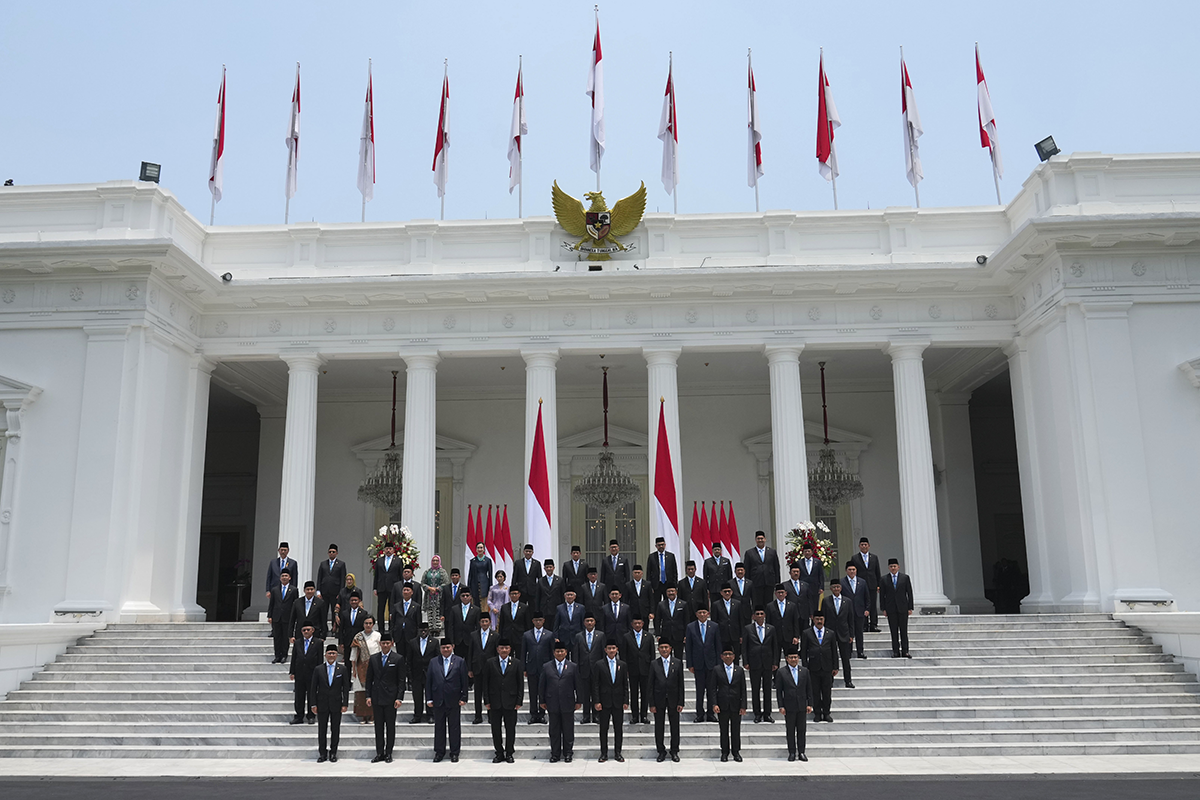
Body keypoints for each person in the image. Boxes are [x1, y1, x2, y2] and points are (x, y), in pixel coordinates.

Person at [426, 637, 468, 763]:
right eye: (443, 648)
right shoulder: (434, 662)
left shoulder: (459, 661)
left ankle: (454, 752)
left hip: (454, 700)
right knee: (439, 727)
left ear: (453, 647)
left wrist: (464, 697)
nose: (445, 649)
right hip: (438, 699)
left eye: (448, 647)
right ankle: (439, 752)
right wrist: (428, 698)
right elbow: (429, 681)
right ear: (440, 649)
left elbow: (464, 681)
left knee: (454, 727)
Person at [482, 637, 524, 763]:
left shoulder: (516, 663)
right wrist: (487, 701)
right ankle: (499, 753)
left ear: (510, 649)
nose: (504, 650)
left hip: (511, 702)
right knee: (496, 729)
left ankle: (509, 752)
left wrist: (519, 701)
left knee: (510, 728)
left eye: (506, 648)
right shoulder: (490, 662)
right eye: (501, 648)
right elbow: (486, 683)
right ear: (497, 649)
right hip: (494, 701)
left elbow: (520, 683)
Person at [365, 632, 405, 762]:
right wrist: (368, 696)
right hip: (377, 696)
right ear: (380, 644)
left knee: (390, 726)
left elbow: (401, 681)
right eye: (383, 643)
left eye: (388, 643)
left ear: (392, 644)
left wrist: (399, 698)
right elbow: (369, 679)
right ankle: (379, 752)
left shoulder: (398, 658)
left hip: (391, 698)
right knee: (378, 727)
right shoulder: (374, 658)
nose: (385, 645)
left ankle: (389, 752)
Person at [540, 639, 581, 762]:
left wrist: (579, 700)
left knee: (568, 730)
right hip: (552, 702)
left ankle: (568, 753)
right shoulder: (546, 666)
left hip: (568, 702)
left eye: (561, 651)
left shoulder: (573, 667)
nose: (559, 653)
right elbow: (542, 685)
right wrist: (542, 700)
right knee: (554, 730)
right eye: (557, 651)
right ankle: (555, 754)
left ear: (566, 652)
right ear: (553, 652)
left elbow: (578, 685)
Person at [311, 644, 349, 762]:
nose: (331, 655)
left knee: (335, 729)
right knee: (322, 729)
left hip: (336, 703)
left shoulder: (342, 669)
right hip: (322, 703)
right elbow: (313, 688)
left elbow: (345, 688)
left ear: (337, 655)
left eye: (333, 653)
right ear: (325, 655)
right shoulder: (318, 669)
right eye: (329, 653)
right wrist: (313, 704)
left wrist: (345, 703)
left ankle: (333, 752)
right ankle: (322, 753)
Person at [709, 645, 746, 762]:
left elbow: (743, 689)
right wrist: (714, 704)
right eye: (725, 654)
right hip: (722, 704)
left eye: (730, 654)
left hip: (736, 704)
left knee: (736, 729)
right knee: (723, 729)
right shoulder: (717, 669)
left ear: (734, 656)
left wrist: (743, 706)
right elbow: (712, 689)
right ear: (721, 656)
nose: (728, 656)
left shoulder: (739, 670)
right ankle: (724, 752)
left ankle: (736, 752)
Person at [649, 639, 685, 762]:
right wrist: (651, 703)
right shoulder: (654, 664)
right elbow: (650, 685)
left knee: (675, 726)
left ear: (671, 648)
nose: (664, 649)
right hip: (658, 699)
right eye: (662, 647)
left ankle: (674, 751)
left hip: (674, 699)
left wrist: (681, 702)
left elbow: (681, 684)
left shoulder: (678, 662)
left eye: (666, 647)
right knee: (659, 726)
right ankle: (661, 751)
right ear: (658, 649)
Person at [801, 611, 839, 722]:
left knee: (827, 692)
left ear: (824, 620)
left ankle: (826, 713)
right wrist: (805, 666)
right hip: (813, 668)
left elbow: (834, 651)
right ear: (813, 619)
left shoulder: (830, 633)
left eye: (821, 619)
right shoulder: (807, 633)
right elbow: (804, 652)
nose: (819, 621)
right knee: (815, 692)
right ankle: (817, 713)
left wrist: (835, 667)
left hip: (827, 667)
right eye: (817, 619)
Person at [593, 641, 628, 762]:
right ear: (605, 650)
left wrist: (626, 700)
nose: (612, 650)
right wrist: (596, 701)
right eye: (609, 648)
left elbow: (625, 684)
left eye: (613, 648)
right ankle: (604, 753)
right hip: (604, 701)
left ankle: (618, 753)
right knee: (604, 729)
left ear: (617, 649)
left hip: (618, 701)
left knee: (618, 728)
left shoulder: (622, 664)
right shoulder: (599, 664)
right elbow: (596, 684)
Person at [743, 606, 780, 723]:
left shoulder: (771, 629)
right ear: (753, 616)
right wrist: (745, 661)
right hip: (754, 663)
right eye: (757, 614)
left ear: (765, 615)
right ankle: (757, 714)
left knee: (767, 690)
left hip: (768, 663)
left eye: (761, 614)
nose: (759, 616)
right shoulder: (748, 629)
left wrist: (775, 662)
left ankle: (767, 714)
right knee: (755, 689)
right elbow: (744, 647)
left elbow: (775, 646)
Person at [685, 606, 721, 723]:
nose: (702, 614)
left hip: (711, 663)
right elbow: (689, 647)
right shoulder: (691, 627)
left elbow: (717, 646)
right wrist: (690, 664)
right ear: (696, 614)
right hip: (698, 663)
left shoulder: (714, 626)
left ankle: (711, 713)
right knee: (700, 690)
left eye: (704, 612)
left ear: (708, 613)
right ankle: (699, 714)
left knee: (712, 690)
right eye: (700, 612)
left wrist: (718, 664)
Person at [775, 650, 813, 761]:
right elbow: (779, 691)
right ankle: (792, 752)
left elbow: (809, 688)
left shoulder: (804, 671)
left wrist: (809, 703)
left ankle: (801, 752)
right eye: (791, 657)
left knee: (802, 730)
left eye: (795, 657)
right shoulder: (781, 672)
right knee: (790, 730)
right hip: (789, 705)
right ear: (787, 659)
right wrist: (781, 706)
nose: (793, 659)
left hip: (801, 705)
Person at [820, 580, 856, 689]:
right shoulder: (826, 601)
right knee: (830, 658)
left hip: (844, 633)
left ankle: (848, 680)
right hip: (830, 633)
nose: (836, 589)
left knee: (845, 658)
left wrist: (851, 634)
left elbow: (851, 619)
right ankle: (830, 681)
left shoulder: (847, 601)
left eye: (838, 587)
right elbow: (823, 618)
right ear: (830, 588)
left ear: (841, 588)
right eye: (834, 587)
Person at [573, 614, 606, 723]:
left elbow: (603, 652)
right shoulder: (579, 636)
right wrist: (576, 668)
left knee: (596, 693)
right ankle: (586, 716)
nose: (589, 623)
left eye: (591, 621)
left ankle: (596, 716)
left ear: (595, 622)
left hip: (597, 669)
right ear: (584, 622)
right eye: (587, 621)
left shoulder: (600, 635)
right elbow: (576, 653)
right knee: (585, 693)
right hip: (584, 668)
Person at [622, 615, 655, 724]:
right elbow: (624, 654)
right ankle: (635, 716)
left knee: (645, 693)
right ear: (632, 624)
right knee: (634, 693)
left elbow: (652, 654)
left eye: (639, 623)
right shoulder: (627, 637)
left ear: (643, 624)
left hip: (646, 668)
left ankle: (644, 715)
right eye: (635, 623)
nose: (637, 625)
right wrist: (625, 668)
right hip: (632, 668)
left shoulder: (649, 636)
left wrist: (652, 668)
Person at [522, 611, 553, 723]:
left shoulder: (549, 634)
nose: (538, 622)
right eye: (536, 620)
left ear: (543, 621)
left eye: (540, 620)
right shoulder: (527, 635)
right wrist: (524, 668)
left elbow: (551, 652)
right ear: (533, 621)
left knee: (543, 692)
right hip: (532, 667)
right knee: (533, 692)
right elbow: (523, 652)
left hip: (545, 668)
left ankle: (542, 713)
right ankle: (533, 714)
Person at [289, 623, 323, 725]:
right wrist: (292, 671)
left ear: (312, 630)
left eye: (308, 630)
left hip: (312, 673)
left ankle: (311, 716)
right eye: (304, 630)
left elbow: (320, 659)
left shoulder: (318, 642)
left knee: (312, 695)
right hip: (300, 673)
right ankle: (299, 716)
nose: (306, 632)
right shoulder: (298, 642)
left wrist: (320, 673)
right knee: (299, 695)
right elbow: (294, 657)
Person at [880, 558, 914, 658]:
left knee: (904, 630)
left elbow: (909, 593)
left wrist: (910, 607)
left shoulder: (905, 578)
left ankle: (905, 651)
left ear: (898, 567)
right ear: (888, 568)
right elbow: (882, 595)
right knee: (893, 631)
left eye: (894, 566)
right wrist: (883, 608)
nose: (893, 568)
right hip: (891, 608)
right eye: (891, 566)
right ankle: (895, 651)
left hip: (903, 607)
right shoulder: (884, 579)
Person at [467, 615, 499, 724]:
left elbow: (496, 654)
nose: (484, 623)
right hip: (477, 667)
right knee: (478, 693)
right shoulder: (473, 635)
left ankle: (491, 716)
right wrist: (470, 669)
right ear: (479, 623)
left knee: (490, 693)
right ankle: (478, 716)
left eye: (486, 621)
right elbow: (470, 652)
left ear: (490, 622)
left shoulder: (495, 635)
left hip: (491, 668)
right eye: (482, 621)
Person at [349, 614, 380, 724]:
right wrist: (353, 669)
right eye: (366, 623)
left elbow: (381, 651)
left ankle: (372, 715)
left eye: (370, 623)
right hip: (360, 667)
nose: (368, 625)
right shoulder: (358, 636)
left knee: (373, 690)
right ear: (363, 624)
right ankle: (363, 715)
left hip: (374, 666)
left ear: (373, 624)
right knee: (361, 691)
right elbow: (353, 655)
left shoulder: (377, 636)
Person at [406, 622, 437, 723]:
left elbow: (437, 659)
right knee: (417, 696)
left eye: (425, 630)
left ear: (428, 630)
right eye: (421, 630)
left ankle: (431, 715)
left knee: (430, 696)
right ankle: (417, 716)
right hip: (416, 674)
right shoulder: (412, 642)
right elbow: (409, 660)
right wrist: (410, 675)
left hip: (430, 674)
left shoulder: (435, 642)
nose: (423, 632)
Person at [851, 537, 883, 632]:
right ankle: (864, 625)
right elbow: (853, 572)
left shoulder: (874, 557)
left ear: (869, 546)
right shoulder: (855, 558)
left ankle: (873, 624)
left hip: (872, 584)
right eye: (862, 545)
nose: (864, 546)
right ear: (859, 546)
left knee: (872, 605)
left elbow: (877, 571)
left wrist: (878, 584)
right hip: (860, 585)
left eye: (865, 544)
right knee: (862, 604)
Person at [742, 531, 781, 610]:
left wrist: (777, 582)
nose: (760, 540)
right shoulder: (749, 553)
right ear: (755, 540)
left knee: (769, 603)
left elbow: (776, 567)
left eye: (762, 538)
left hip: (769, 582)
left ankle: (768, 620)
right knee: (757, 603)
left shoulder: (772, 552)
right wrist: (748, 583)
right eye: (758, 539)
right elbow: (747, 568)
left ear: (765, 539)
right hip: (755, 582)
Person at [267, 569, 298, 663]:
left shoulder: (293, 590)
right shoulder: (275, 590)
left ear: (289, 578)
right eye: (283, 576)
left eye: (286, 576)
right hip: (276, 617)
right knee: (277, 637)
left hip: (287, 617)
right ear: (280, 578)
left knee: (285, 637)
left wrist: (295, 616)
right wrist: (270, 616)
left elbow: (295, 604)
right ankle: (277, 655)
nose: (284, 577)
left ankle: (284, 655)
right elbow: (271, 604)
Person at [841, 563, 870, 660]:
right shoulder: (842, 582)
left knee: (859, 632)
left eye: (853, 569)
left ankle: (860, 651)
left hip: (859, 611)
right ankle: (848, 652)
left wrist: (867, 609)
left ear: (856, 570)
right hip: (847, 612)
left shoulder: (862, 582)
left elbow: (867, 597)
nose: (852, 571)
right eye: (850, 569)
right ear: (846, 570)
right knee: (848, 633)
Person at [767, 583, 804, 656]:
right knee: (775, 660)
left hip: (789, 637)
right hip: (776, 636)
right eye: (779, 593)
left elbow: (795, 622)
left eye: (782, 592)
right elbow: (768, 622)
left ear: (786, 593)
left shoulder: (792, 606)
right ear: (775, 594)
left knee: (790, 658)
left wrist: (796, 636)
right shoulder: (770, 606)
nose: (780, 594)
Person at [373, 541, 403, 631]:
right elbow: (376, 575)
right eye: (387, 549)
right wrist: (375, 588)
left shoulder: (398, 561)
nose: (388, 550)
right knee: (380, 608)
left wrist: (401, 587)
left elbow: (400, 575)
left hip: (393, 588)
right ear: (384, 550)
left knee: (392, 608)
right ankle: (381, 628)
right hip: (381, 587)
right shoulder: (379, 560)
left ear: (393, 550)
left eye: (390, 549)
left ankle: (391, 628)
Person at [711, 583, 743, 665]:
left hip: (735, 634)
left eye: (729, 591)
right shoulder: (716, 604)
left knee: (735, 656)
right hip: (722, 635)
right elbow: (714, 621)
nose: (727, 593)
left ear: (732, 592)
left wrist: (741, 635)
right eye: (725, 591)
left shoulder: (737, 604)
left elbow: (741, 620)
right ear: (721, 593)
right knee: (722, 656)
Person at [316, 544, 347, 628]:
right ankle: (324, 628)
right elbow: (319, 577)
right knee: (323, 611)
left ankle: (335, 628)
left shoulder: (341, 564)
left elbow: (342, 579)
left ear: (336, 553)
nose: (331, 553)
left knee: (335, 611)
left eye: (333, 552)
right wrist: (318, 591)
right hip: (324, 591)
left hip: (335, 592)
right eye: (330, 552)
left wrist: (340, 592)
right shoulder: (323, 564)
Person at [446, 588, 480, 662]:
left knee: (469, 662)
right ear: (460, 597)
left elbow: (477, 626)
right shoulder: (454, 609)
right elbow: (451, 626)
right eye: (463, 595)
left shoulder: (476, 609)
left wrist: (477, 641)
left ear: (470, 597)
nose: (465, 597)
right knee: (457, 662)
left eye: (467, 595)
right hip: (458, 641)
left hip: (470, 640)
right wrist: (452, 641)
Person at [498, 585, 532, 660]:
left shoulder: (524, 607)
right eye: (512, 594)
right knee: (507, 658)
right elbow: (501, 624)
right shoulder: (504, 607)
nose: (514, 595)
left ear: (519, 594)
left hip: (520, 636)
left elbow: (527, 624)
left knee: (520, 657)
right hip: (507, 636)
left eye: (516, 593)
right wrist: (501, 638)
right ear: (509, 595)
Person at [654, 584, 689, 655]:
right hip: (666, 635)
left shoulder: (683, 604)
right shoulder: (661, 604)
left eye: (672, 591)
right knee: (666, 657)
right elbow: (657, 620)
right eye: (669, 591)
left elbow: (686, 620)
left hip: (679, 635)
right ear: (666, 593)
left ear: (676, 592)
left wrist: (686, 634)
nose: (671, 593)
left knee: (679, 657)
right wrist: (658, 634)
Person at [420, 556, 450, 638]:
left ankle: (437, 629)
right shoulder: (427, 572)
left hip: (439, 596)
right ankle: (431, 629)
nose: (435, 562)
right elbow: (422, 583)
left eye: (437, 561)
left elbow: (446, 583)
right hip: (429, 596)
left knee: (438, 611)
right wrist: (429, 588)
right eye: (433, 560)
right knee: (430, 611)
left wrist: (437, 589)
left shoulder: (442, 572)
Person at [797, 543, 825, 619]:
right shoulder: (799, 563)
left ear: (812, 552)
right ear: (803, 553)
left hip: (815, 588)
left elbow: (821, 575)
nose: (807, 553)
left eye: (809, 551)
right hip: (804, 588)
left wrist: (821, 587)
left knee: (815, 606)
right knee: (805, 606)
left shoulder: (817, 562)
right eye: (805, 551)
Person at [338, 592, 366, 668]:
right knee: (347, 662)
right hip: (347, 641)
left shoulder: (363, 613)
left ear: (359, 601)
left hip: (358, 641)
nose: (354, 602)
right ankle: (347, 679)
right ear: (349, 601)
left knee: (358, 662)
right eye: (352, 600)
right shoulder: (344, 613)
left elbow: (364, 628)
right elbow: (341, 628)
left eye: (355, 600)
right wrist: (341, 642)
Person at [647, 536, 679, 604]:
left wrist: (674, 585)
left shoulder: (671, 556)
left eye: (662, 544)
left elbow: (674, 572)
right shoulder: (652, 557)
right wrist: (650, 586)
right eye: (659, 545)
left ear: (665, 545)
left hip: (668, 583)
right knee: (655, 603)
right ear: (656, 546)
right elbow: (649, 572)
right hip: (656, 584)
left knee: (668, 602)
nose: (661, 546)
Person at [390, 581, 422, 646]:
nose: (406, 592)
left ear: (412, 592)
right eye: (404, 590)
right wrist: (392, 636)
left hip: (411, 635)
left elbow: (419, 623)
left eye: (408, 590)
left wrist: (418, 637)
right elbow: (392, 623)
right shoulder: (396, 606)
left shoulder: (416, 606)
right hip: (399, 635)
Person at [536, 560, 564, 628]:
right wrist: (537, 610)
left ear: (554, 568)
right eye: (547, 567)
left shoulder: (560, 580)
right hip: (544, 610)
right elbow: (537, 597)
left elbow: (562, 596)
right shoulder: (540, 581)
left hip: (556, 609)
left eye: (550, 567)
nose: (549, 569)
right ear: (544, 569)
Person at [467, 542, 494, 607]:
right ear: (476, 549)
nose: (480, 549)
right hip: (474, 584)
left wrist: (490, 587)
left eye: (481, 548)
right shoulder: (473, 561)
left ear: (484, 549)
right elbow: (470, 575)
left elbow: (490, 575)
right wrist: (469, 587)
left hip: (484, 583)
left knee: (484, 604)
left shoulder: (488, 560)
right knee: (475, 604)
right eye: (478, 548)